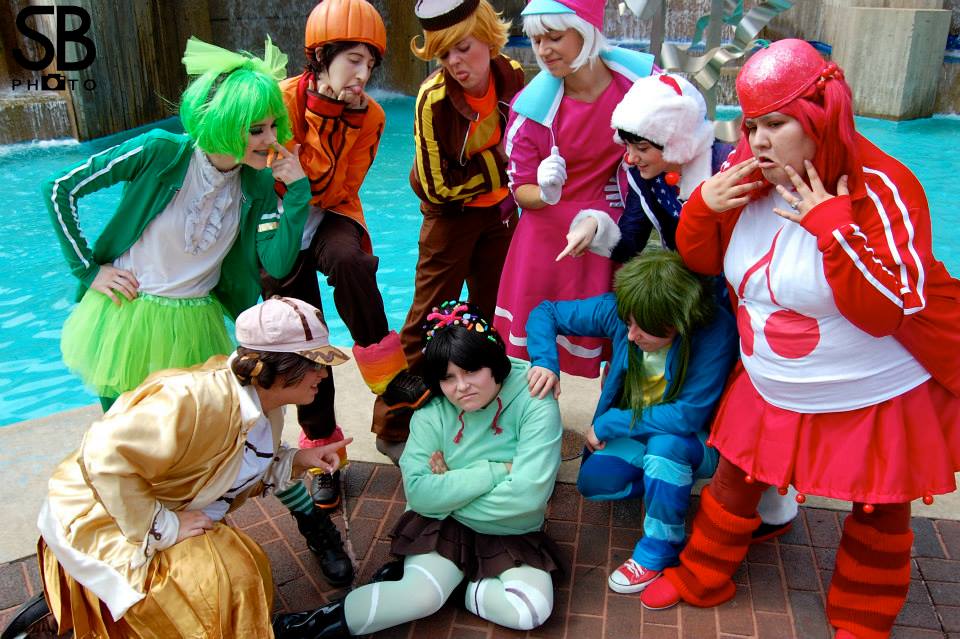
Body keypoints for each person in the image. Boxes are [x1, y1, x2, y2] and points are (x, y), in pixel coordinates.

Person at [639, 40, 960, 639]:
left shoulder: (885, 188)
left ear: (821, 117)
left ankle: (864, 616)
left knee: (878, 503)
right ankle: (704, 575)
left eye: (776, 124)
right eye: (751, 125)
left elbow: (885, 313)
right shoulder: (745, 176)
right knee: (736, 475)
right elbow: (703, 262)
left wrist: (832, 229)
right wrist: (703, 208)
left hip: (871, 383)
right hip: (773, 373)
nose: (758, 141)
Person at [28, 296, 353, 638]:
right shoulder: (194, 398)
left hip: (167, 504)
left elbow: (237, 460)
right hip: (109, 517)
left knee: (240, 570)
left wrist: (297, 460)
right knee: (231, 577)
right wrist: (162, 526)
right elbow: (101, 454)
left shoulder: (264, 401)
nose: (323, 373)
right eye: (314, 363)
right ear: (279, 368)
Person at [42, 36, 310, 412]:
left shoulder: (258, 183)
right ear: (224, 123)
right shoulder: (158, 151)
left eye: (273, 126)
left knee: (190, 432)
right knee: (123, 431)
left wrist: (298, 193)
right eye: (257, 130)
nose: (272, 139)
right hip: (126, 318)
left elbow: (278, 264)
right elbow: (59, 189)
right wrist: (88, 270)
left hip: (196, 326)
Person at [274, 301, 564, 636]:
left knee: (530, 610)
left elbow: (526, 498)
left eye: (471, 371)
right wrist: (497, 472)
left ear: (494, 361)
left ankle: (454, 587)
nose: (461, 387)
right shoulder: (433, 407)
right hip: (444, 526)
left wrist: (448, 486)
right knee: (420, 597)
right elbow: (420, 494)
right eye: (448, 377)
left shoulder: (534, 397)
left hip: (510, 529)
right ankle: (303, 627)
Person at [266, 0, 431, 507]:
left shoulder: (371, 115)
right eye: (353, 60)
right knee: (298, 335)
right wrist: (322, 113)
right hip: (276, 224)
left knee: (351, 261)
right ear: (321, 55)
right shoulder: (278, 101)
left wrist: (335, 115)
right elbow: (279, 182)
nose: (363, 74)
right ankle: (324, 452)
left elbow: (334, 187)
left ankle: (389, 378)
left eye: (370, 64)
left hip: (333, 212)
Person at [526, 250, 738, 593]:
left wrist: (609, 422)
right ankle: (666, 485)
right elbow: (545, 312)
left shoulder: (714, 331)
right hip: (640, 428)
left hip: (696, 439)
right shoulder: (625, 309)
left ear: (677, 323)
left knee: (666, 447)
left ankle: (660, 549)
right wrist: (545, 361)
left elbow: (687, 415)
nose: (630, 335)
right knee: (596, 483)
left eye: (643, 328)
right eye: (628, 323)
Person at [370, 0, 526, 462]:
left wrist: (502, 174)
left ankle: (488, 417)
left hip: (500, 215)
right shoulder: (432, 99)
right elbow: (439, 185)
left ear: (488, 39)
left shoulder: (514, 75)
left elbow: (530, 145)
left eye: (463, 47)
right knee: (425, 321)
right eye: (444, 53)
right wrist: (502, 167)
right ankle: (394, 426)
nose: (455, 62)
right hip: (449, 218)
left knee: (495, 314)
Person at [492, 0, 655, 377]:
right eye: (536, 40)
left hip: (613, 230)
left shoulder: (644, 87)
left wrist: (630, 188)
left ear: (586, 30)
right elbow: (521, 190)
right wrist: (545, 192)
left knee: (626, 342)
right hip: (547, 237)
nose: (544, 50)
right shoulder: (530, 110)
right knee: (531, 354)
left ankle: (615, 408)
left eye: (554, 37)